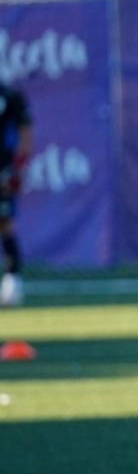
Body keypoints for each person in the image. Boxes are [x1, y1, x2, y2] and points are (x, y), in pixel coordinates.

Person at [0, 81, 32, 308]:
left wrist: (16, 169)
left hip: (2, 172)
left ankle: (12, 281)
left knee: (5, 224)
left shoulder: (9, 96)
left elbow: (25, 133)